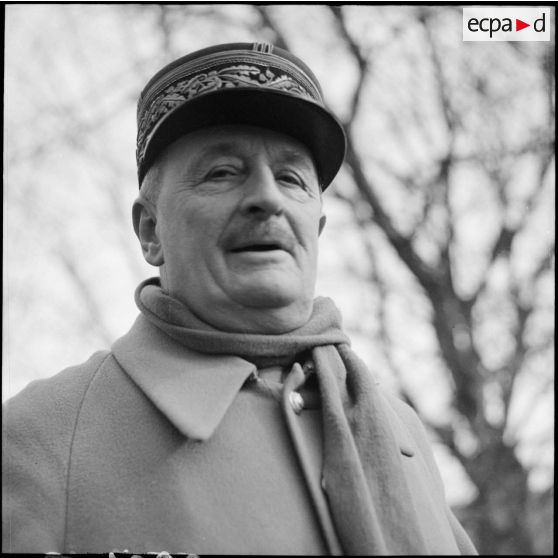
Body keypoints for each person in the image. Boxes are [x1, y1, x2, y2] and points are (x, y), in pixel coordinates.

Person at [2, 42, 477, 555]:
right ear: (150, 231)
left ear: (316, 227)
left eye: (291, 178)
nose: (268, 198)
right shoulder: (38, 440)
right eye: (222, 172)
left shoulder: (401, 433)